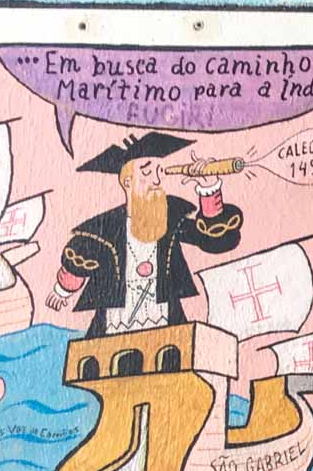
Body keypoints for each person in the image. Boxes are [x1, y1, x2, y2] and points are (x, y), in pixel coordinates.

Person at [49, 132, 244, 337]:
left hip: (164, 320)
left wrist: (209, 188)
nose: (157, 180)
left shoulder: (171, 220)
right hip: (113, 323)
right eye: (147, 172)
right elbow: (81, 257)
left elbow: (215, 241)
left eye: (160, 171)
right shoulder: (106, 229)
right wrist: (63, 290)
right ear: (127, 182)